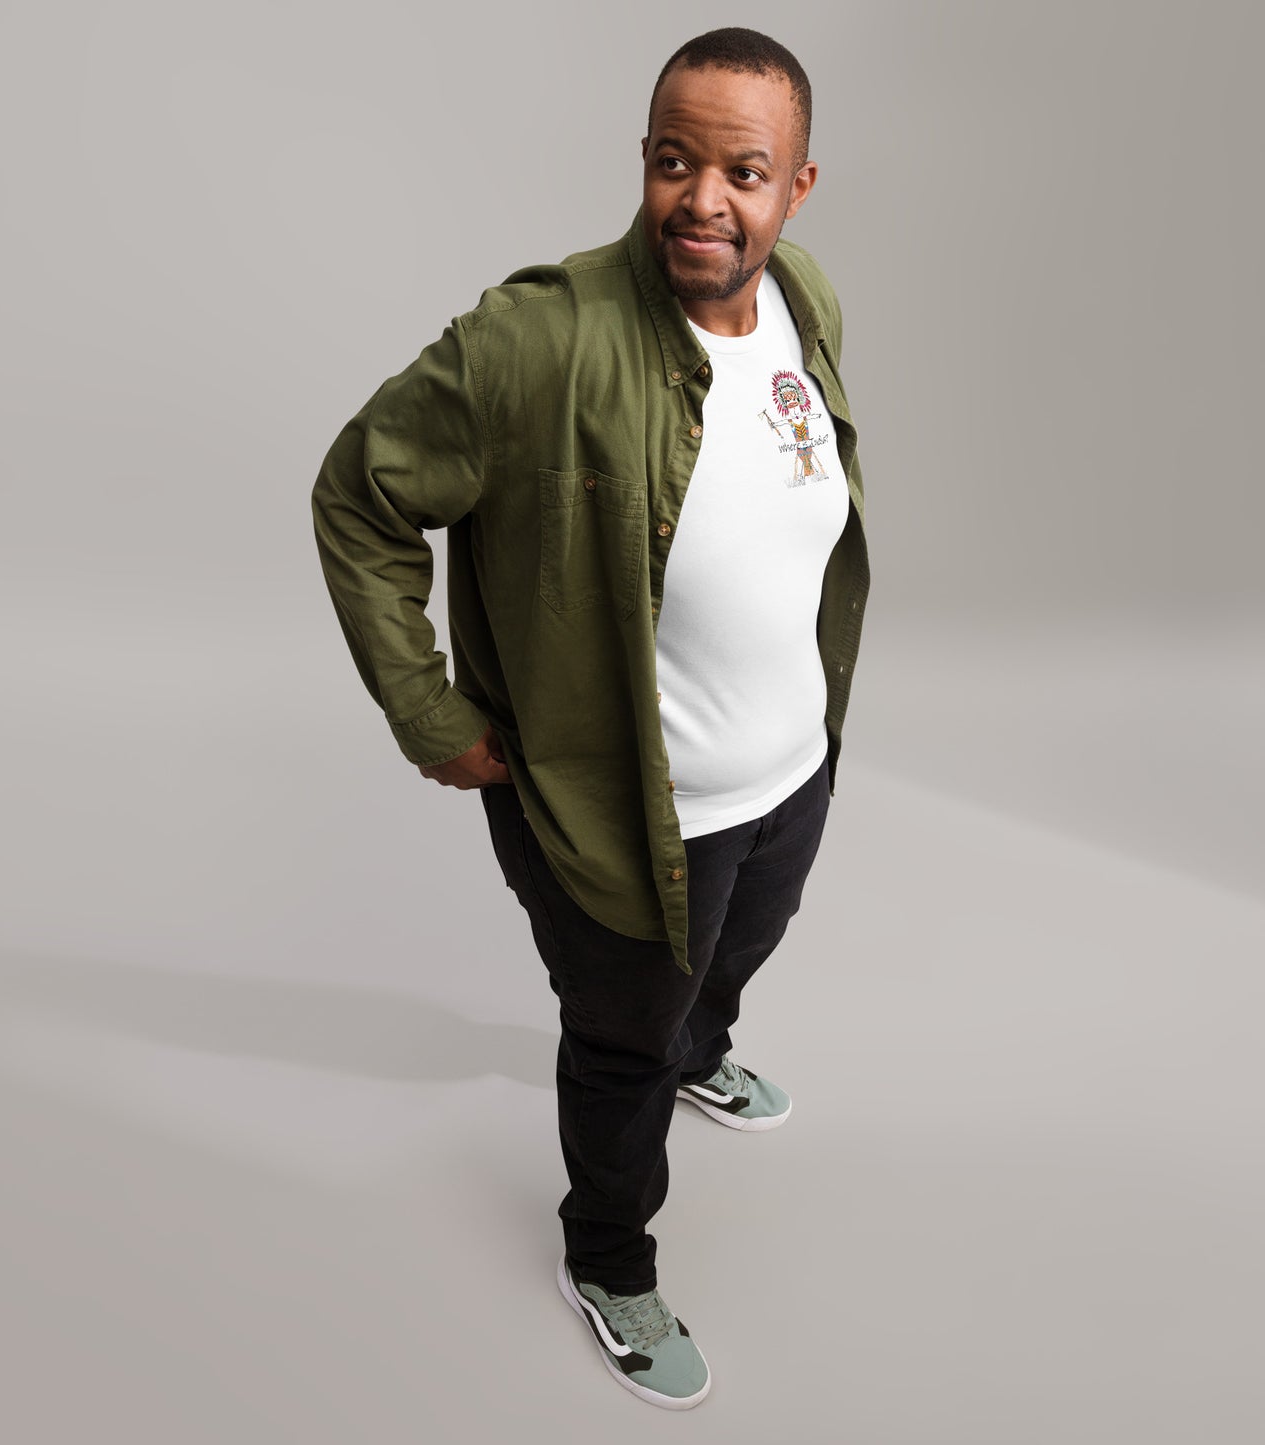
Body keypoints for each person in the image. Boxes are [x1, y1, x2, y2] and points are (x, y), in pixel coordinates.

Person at [311, 26, 869, 1411]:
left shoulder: (805, 297)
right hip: (623, 818)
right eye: (675, 161)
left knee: (733, 960)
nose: (703, 199)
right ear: (643, 163)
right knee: (618, 1040)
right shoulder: (535, 340)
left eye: (744, 170)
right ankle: (608, 1255)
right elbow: (359, 494)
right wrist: (426, 711)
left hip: (789, 769)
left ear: (797, 189)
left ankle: (699, 1048)